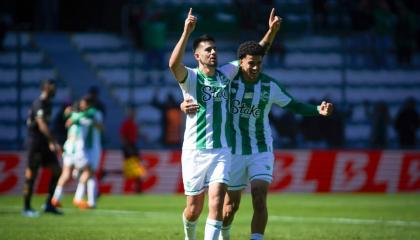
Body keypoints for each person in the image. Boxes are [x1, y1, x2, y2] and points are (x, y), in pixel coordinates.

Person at [182, 42, 333, 240]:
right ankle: (224, 236)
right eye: (251, 63)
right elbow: (204, 95)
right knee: (229, 208)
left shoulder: (269, 86)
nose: (255, 68)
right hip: (232, 150)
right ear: (240, 63)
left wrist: (316, 110)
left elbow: (294, 105)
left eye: (259, 63)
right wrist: (184, 104)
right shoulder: (227, 80)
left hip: (260, 149)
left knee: (259, 198)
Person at [168, 8, 280, 240]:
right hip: (194, 150)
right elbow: (172, 64)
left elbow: (253, 53)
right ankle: (190, 236)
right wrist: (186, 32)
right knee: (193, 209)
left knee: (217, 202)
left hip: (222, 150)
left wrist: (271, 32)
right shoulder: (190, 78)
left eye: (215, 49)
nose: (213, 52)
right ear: (197, 55)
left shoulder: (225, 74)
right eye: (208, 49)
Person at [51, 96, 103, 209]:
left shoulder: (74, 116)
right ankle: (78, 198)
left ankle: (56, 198)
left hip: (68, 148)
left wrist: (69, 114)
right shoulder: (86, 116)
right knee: (89, 172)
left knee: (66, 174)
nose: (82, 106)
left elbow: (67, 117)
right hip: (79, 149)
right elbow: (92, 116)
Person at [23, 79, 63, 217]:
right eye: (53, 88)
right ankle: (26, 208)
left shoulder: (48, 104)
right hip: (35, 143)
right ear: (46, 88)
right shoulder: (39, 103)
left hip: (44, 143)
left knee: (57, 170)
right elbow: (41, 125)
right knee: (31, 175)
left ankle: (49, 204)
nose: (55, 90)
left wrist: (50, 142)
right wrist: (53, 141)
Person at [120, 106, 145, 193]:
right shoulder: (127, 123)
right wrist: (127, 146)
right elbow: (123, 136)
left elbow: (135, 135)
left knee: (136, 170)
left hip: (133, 146)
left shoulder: (134, 124)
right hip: (129, 147)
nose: (134, 115)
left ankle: (138, 189)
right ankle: (137, 189)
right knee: (134, 170)